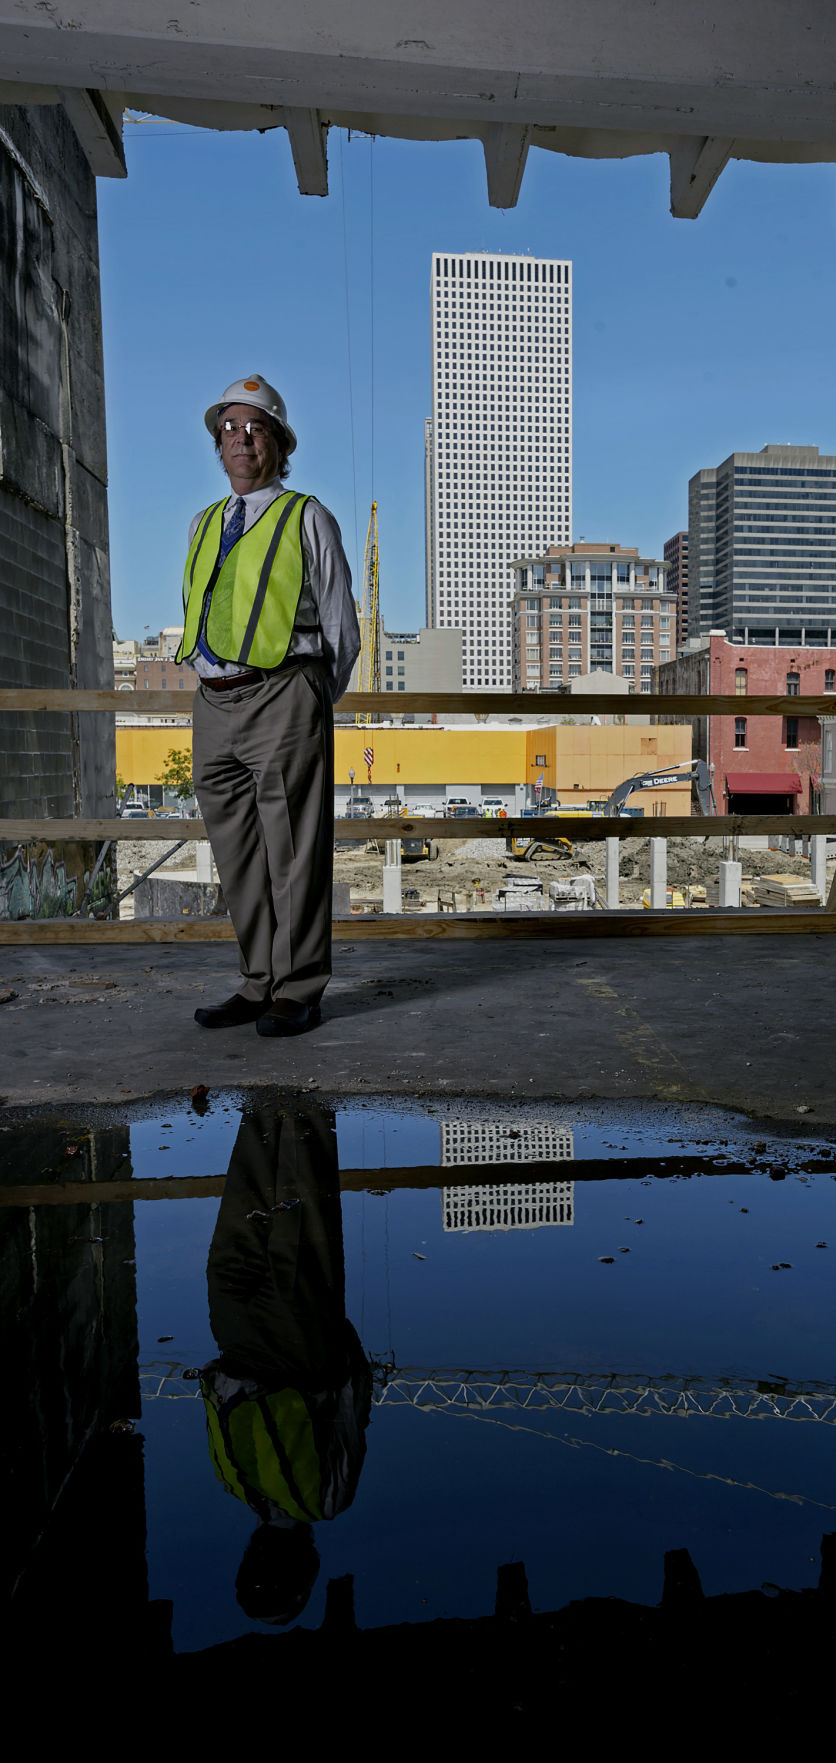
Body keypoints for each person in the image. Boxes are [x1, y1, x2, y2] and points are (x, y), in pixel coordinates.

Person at [177, 376, 359, 1036]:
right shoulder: (204, 524)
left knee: (293, 852)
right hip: (212, 702)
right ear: (217, 443)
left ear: (278, 442)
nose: (240, 437)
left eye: (254, 427)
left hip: (284, 693)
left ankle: (299, 986)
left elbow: (342, 629)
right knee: (239, 854)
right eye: (228, 427)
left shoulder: (306, 516)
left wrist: (306, 696)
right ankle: (258, 981)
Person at [200, 1105, 371, 1626]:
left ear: (309, 1563)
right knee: (244, 1210)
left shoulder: (326, 1499)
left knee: (302, 1213)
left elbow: (349, 1410)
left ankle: (302, 1105)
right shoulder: (232, 1484)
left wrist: (337, 1333)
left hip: (300, 1348)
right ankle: (265, 1107)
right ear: (251, 1556)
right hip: (235, 1335)